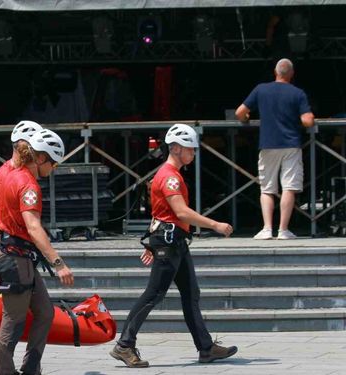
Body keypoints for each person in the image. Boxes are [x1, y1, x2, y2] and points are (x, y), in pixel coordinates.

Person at [110, 124, 238, 368]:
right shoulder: (169, 176)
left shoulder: (171, 174)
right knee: (153, 294)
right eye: (191, 148)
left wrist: (150, 242)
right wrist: (215, 225)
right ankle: (124, 345)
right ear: (177, 148)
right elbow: (180, 212)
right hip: (168, 243)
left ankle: (206, 347)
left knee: (191, 294)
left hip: (174, 241)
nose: (194, 153)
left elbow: (160, 212)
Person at [0, 129, 74, 375]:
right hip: (15, 258)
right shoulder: (28, 185)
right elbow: (34, 227)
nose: (54, 168)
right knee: (13, 321)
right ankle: (3, 371)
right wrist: (58, 263)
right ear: (40, 159)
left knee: (45, 312)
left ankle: (31, 369)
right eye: (53, 162)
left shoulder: (11, 175)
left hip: (16, 256)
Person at [0, 120, 44, 374]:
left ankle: (15, 363)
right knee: (14, 314)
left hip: (11, 249)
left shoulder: (15, 174)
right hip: (5, 249)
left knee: (39, 311)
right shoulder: (7, 175)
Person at [235, 58, 315, 240]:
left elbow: (240, 112)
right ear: (291, 74)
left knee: (267, 188)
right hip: (291, 145)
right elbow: (308, 121)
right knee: (289, 187)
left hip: (267, 143)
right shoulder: (298, 93)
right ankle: (283, 230)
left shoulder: (261, 89)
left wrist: (246, 118)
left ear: (275, 72)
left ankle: (266, 228)